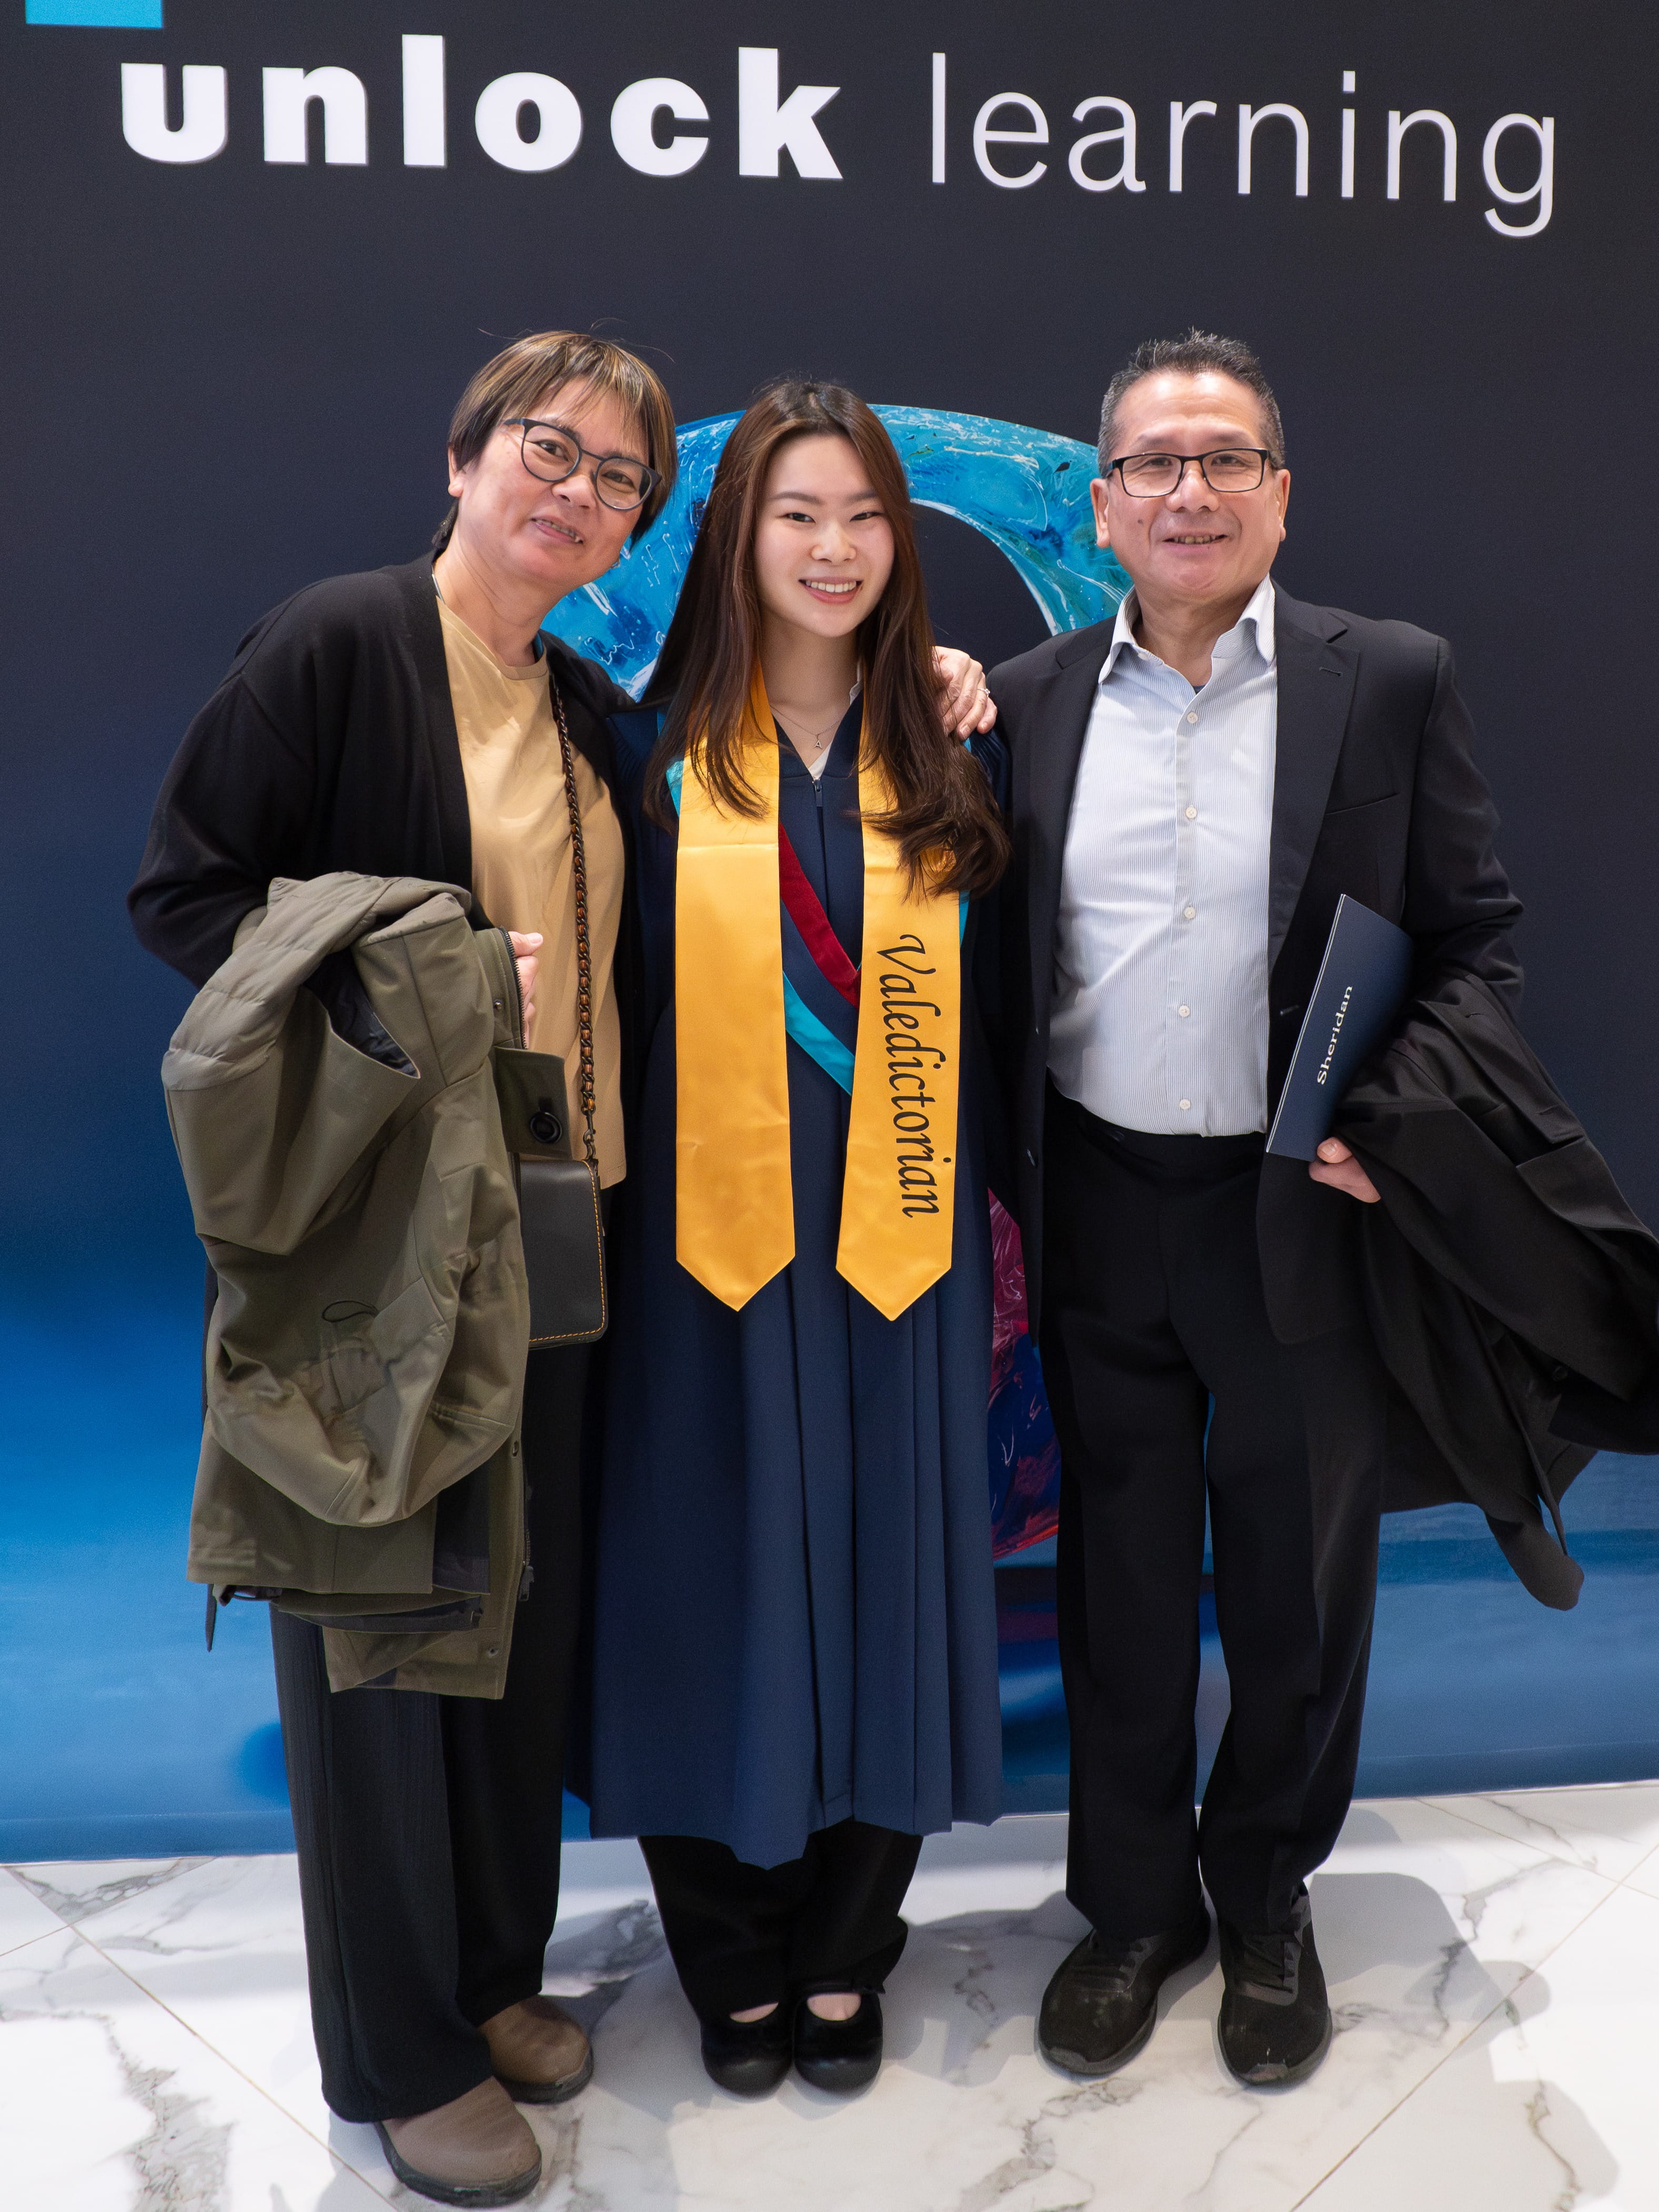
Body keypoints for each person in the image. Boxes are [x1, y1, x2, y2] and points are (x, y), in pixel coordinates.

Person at [128, 335, 993, 2204]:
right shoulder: (343, 644)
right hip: (381, 1248)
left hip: (562, 1240)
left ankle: (495, 1976)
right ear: (460, 456)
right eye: (548, 454)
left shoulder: (591, 711)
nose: (578, 497)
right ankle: (400, 2052)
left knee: (510, 1634)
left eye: (615, 479)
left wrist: (931, 671)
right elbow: (187, 896)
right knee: (378, 1644)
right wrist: (397, 974)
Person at [985, 331, 1521, 2088]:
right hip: (1097, 1200)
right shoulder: (1030, 694)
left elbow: (1469, 937)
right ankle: (1133, 1909)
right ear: (1103, 501)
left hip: (1294, 1203)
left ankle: (1266, 1891)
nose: (1189, 491)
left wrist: (1394, 1109)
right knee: (1120, 1574)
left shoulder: (1391, 679)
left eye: (1225, 460)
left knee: (1297, 1572)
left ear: (1280, 494)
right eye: (1152, 464)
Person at [585, 380, 1010, 2098]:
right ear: (732, 535)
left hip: (901, 1259)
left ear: (900, 541)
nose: (832, 550)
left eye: (862, 516)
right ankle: (727, 1949)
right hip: (707, 1263)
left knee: (896, 1572)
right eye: (792, 514)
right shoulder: (639, 747)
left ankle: (848, 1947)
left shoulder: (958, 747)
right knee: (710, 1575)